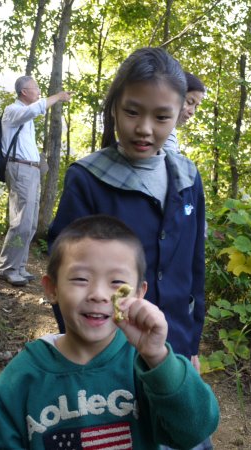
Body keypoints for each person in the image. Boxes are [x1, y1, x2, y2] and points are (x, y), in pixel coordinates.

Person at [0, 215, 220, 449]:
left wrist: (158, 357)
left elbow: (195, 431)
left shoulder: (149, 366)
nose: (98, 293)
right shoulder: (20, 379)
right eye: (80, 278)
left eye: (117, 282)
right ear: (52, 289)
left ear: (139, 293)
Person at [47, 47, 206, 365]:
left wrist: (191, 345)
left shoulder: (188, 178)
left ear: (178, 115)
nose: (145, 128)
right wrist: (82, 347)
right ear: (114, 109)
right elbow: (64, 270)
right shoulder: (89, 178)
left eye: (161, 117)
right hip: (107, 350)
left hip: (173, 343)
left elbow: (194, 269)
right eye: (133, 112)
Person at [0, 76, 72, 286]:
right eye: (35, 88)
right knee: (21, 221)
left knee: (29, 224)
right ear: (23, 92)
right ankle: (8, 268)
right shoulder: (13, 110)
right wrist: (57, 97)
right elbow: (34, 110)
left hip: (30, 171)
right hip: (20, 170)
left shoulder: (25, 118)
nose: (38, 91)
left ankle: (18, 266)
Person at [163, 71, 206, 154]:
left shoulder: (171, 130)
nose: (192, 112)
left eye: (196, 106)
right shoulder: (165, 129)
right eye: (189, 102)